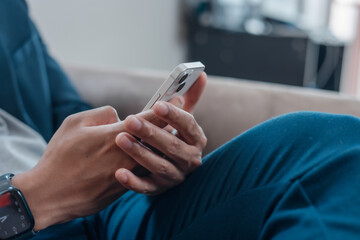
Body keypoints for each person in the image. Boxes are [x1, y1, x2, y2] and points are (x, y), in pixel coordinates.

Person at [1, 0, 360, 239]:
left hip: (103, 213)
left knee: (333, 146)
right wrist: (35, 197)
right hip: (29, 220)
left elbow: (69, 113)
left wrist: (138, 151)